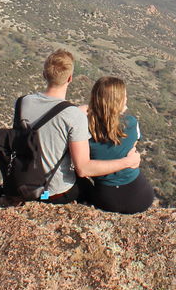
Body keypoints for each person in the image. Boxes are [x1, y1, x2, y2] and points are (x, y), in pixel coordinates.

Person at [17, 50, 139, 204]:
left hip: (21, 183)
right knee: (94, 192)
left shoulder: (22, 103)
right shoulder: (74, 116)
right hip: (53, 192)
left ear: (44, 74)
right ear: (70, 78)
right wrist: (127, 162)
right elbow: (83, 168)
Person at [84, 76, 155, 214]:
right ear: (117, 101)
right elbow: (133, 147)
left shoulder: (85, 129)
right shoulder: (131, 123)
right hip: (140, 196)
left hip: (105, 198)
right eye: (124, 96)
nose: (127, 99)